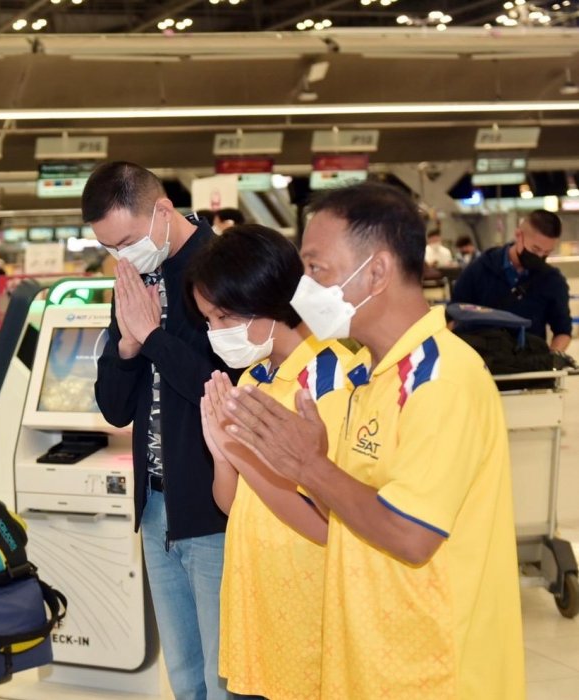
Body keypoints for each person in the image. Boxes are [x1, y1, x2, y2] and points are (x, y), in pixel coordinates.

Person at [222, 181, 524, 698]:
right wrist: (303, 465)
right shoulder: (368, 375)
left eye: (317, 269)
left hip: (432, 672)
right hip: (369, 660)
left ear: (377, 272)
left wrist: (309, 466)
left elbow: (411, 535)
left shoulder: (440, 379)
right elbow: (345, 510)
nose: (303, 290)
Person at [83, 161, 234, 700]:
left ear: (163, 212)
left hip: (214, 505)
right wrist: (127, 347)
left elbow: (225, 390)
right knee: (185, 674)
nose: (121, 257)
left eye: (126, 241)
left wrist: (153, 337)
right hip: (155, 507)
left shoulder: (222, 270)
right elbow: (114, 408)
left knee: (225, 676)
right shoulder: (133, 279)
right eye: (109, 248)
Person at [186, 225, 356, 700]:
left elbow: (326, 525)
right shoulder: (254, 379)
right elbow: (233, 505)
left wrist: (241, 453)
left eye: (224, 316)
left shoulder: (330, 382)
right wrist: (222, 454)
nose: (216, 332)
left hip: (310, 609)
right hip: (258, 602)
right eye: (208, 320)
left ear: (267, 299)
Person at [451, 209, 571, 352]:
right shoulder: (479, 269)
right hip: (481, 359)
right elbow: (453, 315)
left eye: (547, 252)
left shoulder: (552, 280)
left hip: (529, 361)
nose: (540, 257)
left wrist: (551, 358)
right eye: (535, 249)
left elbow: (563, 331)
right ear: (518, 235)